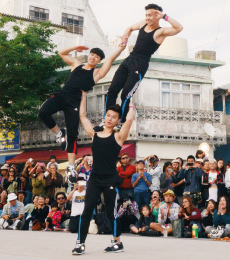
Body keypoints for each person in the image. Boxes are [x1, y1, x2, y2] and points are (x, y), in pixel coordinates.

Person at [38, 43, 126, 179]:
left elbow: (111, 59)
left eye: (97, 57)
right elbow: (61, 52)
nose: (93, 58)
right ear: (89, 55)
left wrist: (121, 47)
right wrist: (75, 47)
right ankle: (59, 132)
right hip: (61, 95)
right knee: (43, 112)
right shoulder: (76, 64)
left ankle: (71, 167)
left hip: (74, 102)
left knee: (73, 134)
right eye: (92, 55)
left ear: (99, 61)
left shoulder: (97, 73)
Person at [95, 3, 183, 129]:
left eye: (150, 15)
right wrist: (126, 34)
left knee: (125, 94)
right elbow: (131, 27)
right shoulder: (143, 24)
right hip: (129, 60)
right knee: (111, 91)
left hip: (140, 65)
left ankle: (120, 123)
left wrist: (164, 16)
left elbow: (179, 28)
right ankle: (105, 120)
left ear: (157, 16)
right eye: (146, 15)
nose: (147, 18)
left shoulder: (161, 32)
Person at [71, 90, 135, 255]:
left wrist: (131, 102)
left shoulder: (118, 137)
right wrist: (84, 97)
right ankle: (80, 243)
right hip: (94, 178)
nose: (109, 118)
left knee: (110, 212)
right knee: (86, 210)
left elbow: (129, 120)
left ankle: (117, 243)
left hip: (110, 180)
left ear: (117, 120)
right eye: (108, 115)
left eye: (113, 117)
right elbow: (83, 117)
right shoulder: (95, 134)